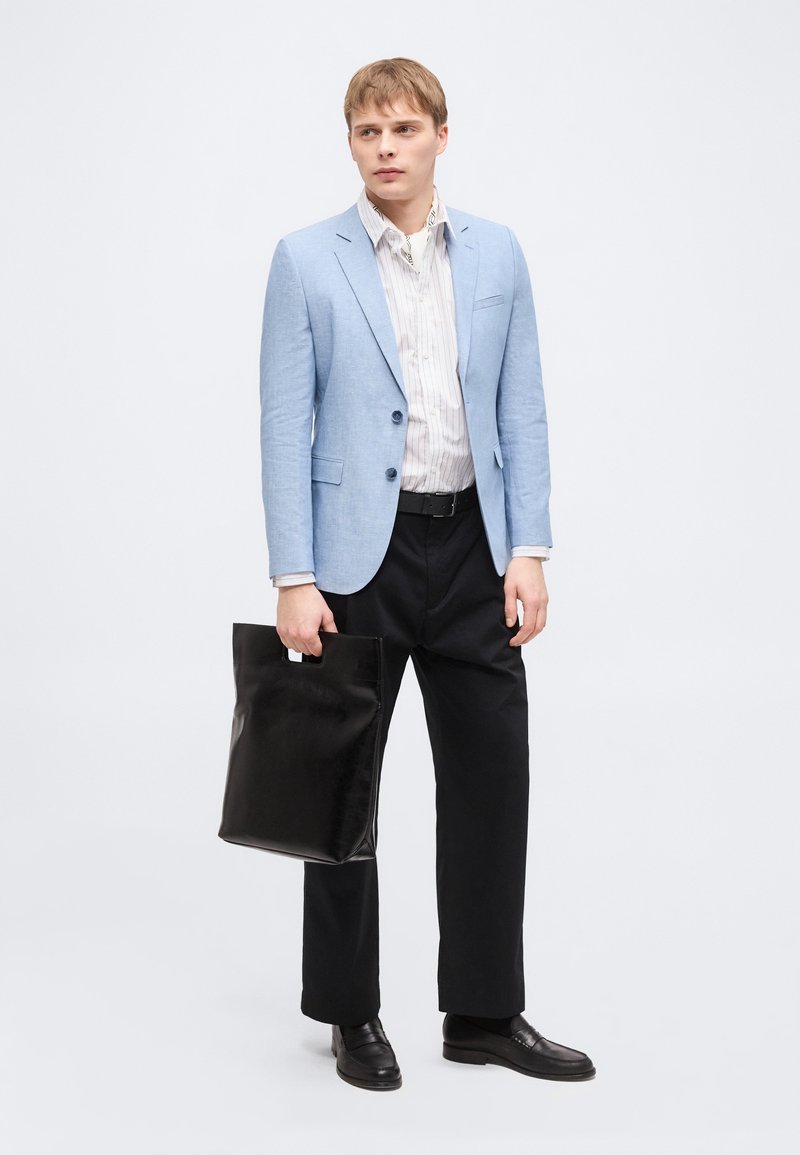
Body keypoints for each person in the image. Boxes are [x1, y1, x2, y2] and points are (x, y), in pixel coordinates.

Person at [259, 57, 596, 1091]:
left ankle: (483, 1013)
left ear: (440, 136)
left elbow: (522, 406)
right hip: (354, 562)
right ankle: (348, 1013)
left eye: (404, 129)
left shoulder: (496, 252)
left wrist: (529, 548)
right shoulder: (305, 259)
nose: (386, 148)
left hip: (473, 553)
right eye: (368, 132)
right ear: (351, 145)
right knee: (339, 793)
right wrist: (294, 574)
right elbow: (282, 422)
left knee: (493, 779)